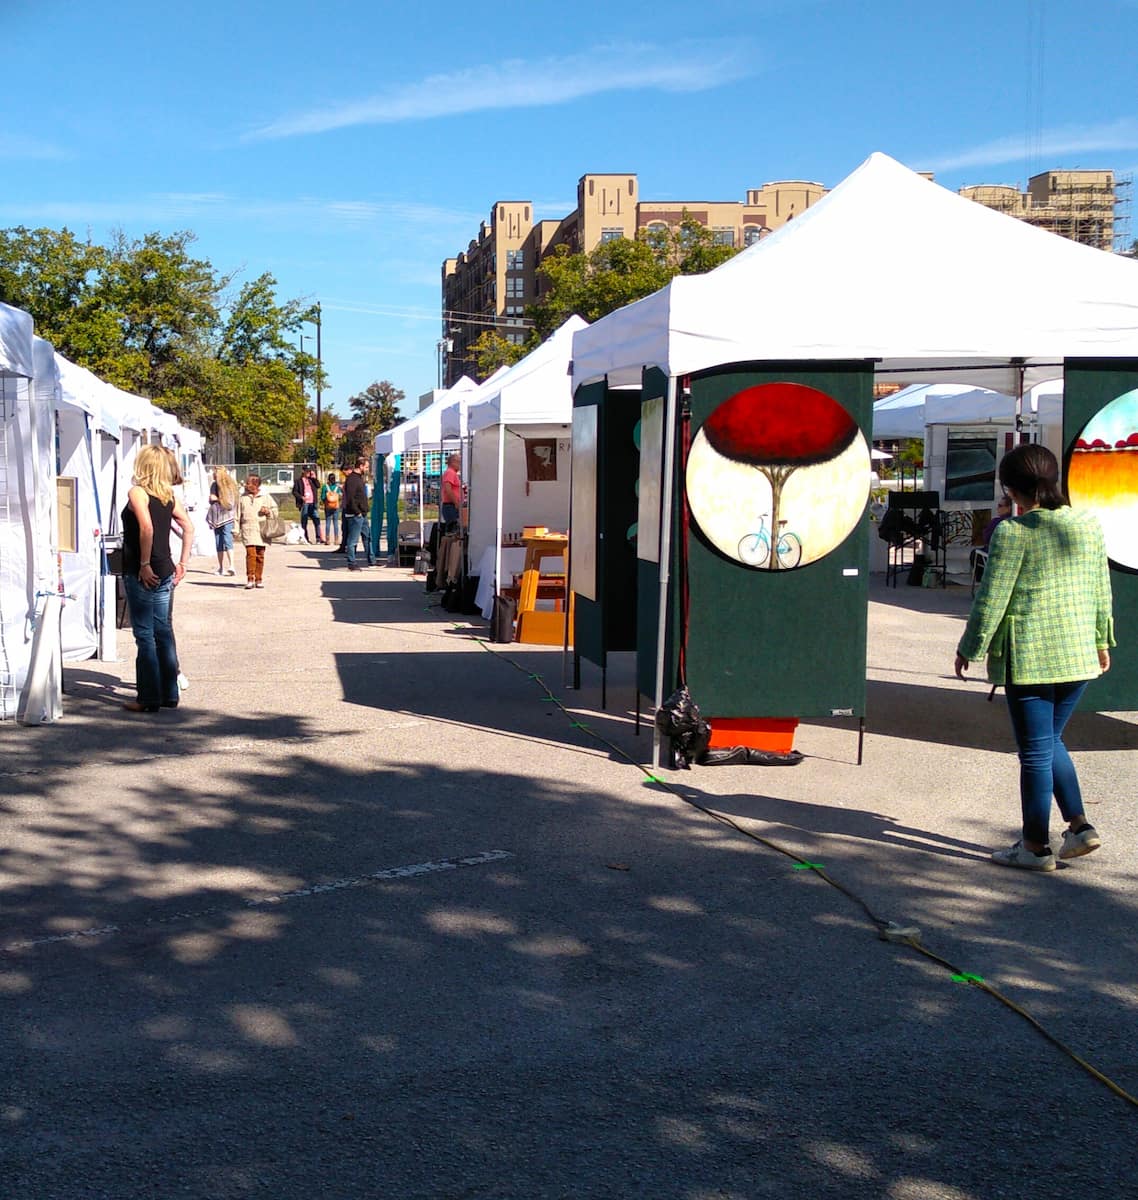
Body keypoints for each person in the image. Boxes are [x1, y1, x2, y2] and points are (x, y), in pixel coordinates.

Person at [954, 444, 1114, 872]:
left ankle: (1034, 846)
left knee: (1036, 753)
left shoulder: (1012, 532)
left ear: (1011, 489)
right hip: (1079, 656)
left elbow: (992, 598)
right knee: (1048, 743)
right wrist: (1103, 641)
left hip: (1030, 659)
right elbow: (1101, 589)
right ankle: (1079, 826)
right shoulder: (1087, 524)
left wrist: (970, 646)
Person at [120, 444, 194, 713]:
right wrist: (183, 562)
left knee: (145, 635)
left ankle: (148, 698)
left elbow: (146, 527)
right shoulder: (168, 495)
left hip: (144, 570)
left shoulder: (137, 492)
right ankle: (169, 693)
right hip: (166, 568)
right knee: (163, 630)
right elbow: (188, 526)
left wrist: (143, 563)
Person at [237, 474, 279, 589]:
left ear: (255, 484)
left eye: (248, 483)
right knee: (251, 554)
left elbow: (275, 511)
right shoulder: (242, 498)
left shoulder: (265, 497)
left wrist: (268, 511)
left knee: (260, 555)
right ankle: (250, 578)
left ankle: (258, 579)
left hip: (262, 529)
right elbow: (237, 514)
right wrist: (236, 529)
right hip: (248, 529)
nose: (246, 485)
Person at [342, 458, 375, 571]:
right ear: (360, 466)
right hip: (355, 515)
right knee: (353, 540)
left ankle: (371, 560)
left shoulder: (359, 478)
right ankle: (352, 562)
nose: (367, 469)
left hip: (362, 514)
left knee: (367, 537)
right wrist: (357, 512)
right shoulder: (352, 479)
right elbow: (350, 498)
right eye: (366, 467)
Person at [208, 466, 238, 576]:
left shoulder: (229, 486)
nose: (213, 476)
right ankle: (221, 567)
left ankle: (232, 566)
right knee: (218, 542)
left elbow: (230, 504)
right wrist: (212, 499)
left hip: (227, 517)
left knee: (227, 539)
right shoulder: (214, 485)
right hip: (216, 517)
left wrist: (217, 499)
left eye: (215, 474)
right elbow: (211, 499)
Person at [293, 467, 323, 544]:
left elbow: (318, 486)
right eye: (307, 472)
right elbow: (294, 492)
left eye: (309, 472)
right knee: (304, 521)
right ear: (303, 472)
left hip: (313, 503)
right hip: (304, 503)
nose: (308, 473)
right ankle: (305, 538)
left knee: (316, 520)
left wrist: (314, 478)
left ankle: (318, 538)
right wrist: (301, 497)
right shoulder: (298, 481)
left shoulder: (312, 480)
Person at [440, 452, 463, 532]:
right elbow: (448, 489)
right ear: (453, 462)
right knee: (453, 530)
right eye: (459, 462)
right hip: (450, 506)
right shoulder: (450, 472)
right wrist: (456, 503)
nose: (460, 465)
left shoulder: (452, 473)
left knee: (454, 529)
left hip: (452, 505)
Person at [321, 471, 343, 547]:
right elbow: (340, 496)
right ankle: (336, 539)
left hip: (328, 506)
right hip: (336, 506)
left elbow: (323, 497)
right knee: (336, 522)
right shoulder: (337, 487)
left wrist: (325, 502)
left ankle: (327, 539)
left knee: (328, 522)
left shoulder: (325, 487)